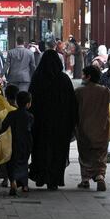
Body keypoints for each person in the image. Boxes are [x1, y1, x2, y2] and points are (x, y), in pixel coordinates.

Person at [29, 49, 77, 191]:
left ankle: (40, 176)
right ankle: (54, 180)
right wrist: (73, 122)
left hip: (40, 123)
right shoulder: (64, 79)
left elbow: (31, 101)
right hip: (60, 124)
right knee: (58, 151)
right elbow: (72, 103)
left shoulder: (37, 78)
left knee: (40, 149)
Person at [75, 66, 110, 191]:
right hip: (102, 129)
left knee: (84, 154)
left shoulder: (79, 91)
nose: (82, 77)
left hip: (84, 128)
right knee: (100, 155)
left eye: (84, 75)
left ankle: (85, 180)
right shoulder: (105, 91)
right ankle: (99, 176)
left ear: (88, 77)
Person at [0, 91, 34, 197]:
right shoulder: (30, 116)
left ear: (17, 103)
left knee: (11, 163)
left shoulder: (11, 114)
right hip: (25, 144)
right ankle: (24, 186)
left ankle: (13, 181)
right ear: (28, 104)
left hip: (12, 143)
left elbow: (3, 126)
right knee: (23, 163)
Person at [0, 84, 19, 188]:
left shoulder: (3, 109)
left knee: (3, 159)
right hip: (16, 140)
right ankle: (14, 180)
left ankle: (5, 179)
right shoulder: (18, 109)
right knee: (15, 160)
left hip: (3, 139)